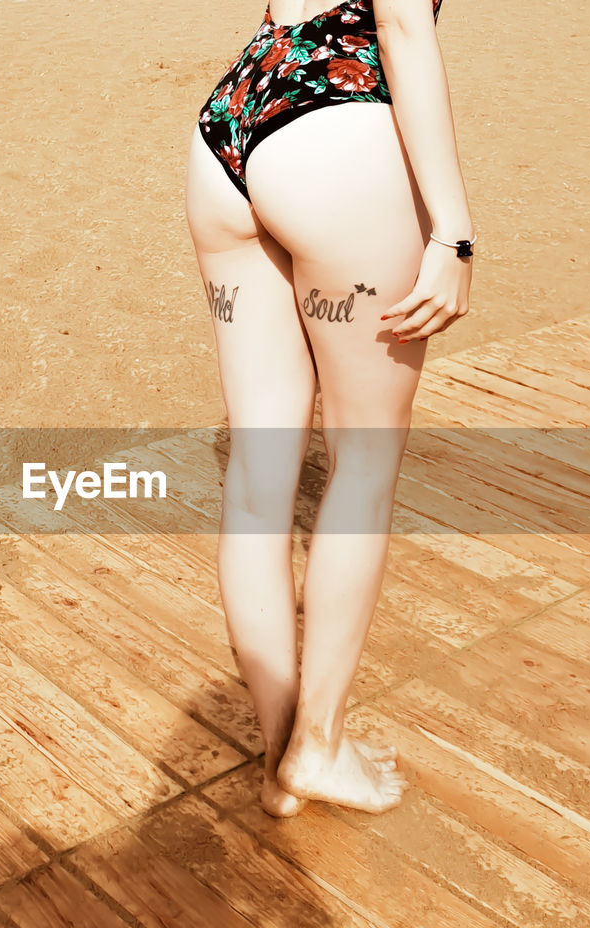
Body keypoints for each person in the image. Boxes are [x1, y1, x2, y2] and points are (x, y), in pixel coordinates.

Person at [184, 0, 474, 817]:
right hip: (336, 128)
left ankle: (284, 757)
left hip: (238, 115)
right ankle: (315, 746)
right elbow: (404, 25)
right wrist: (453, 232)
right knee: (364, 462)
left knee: (257, 473)